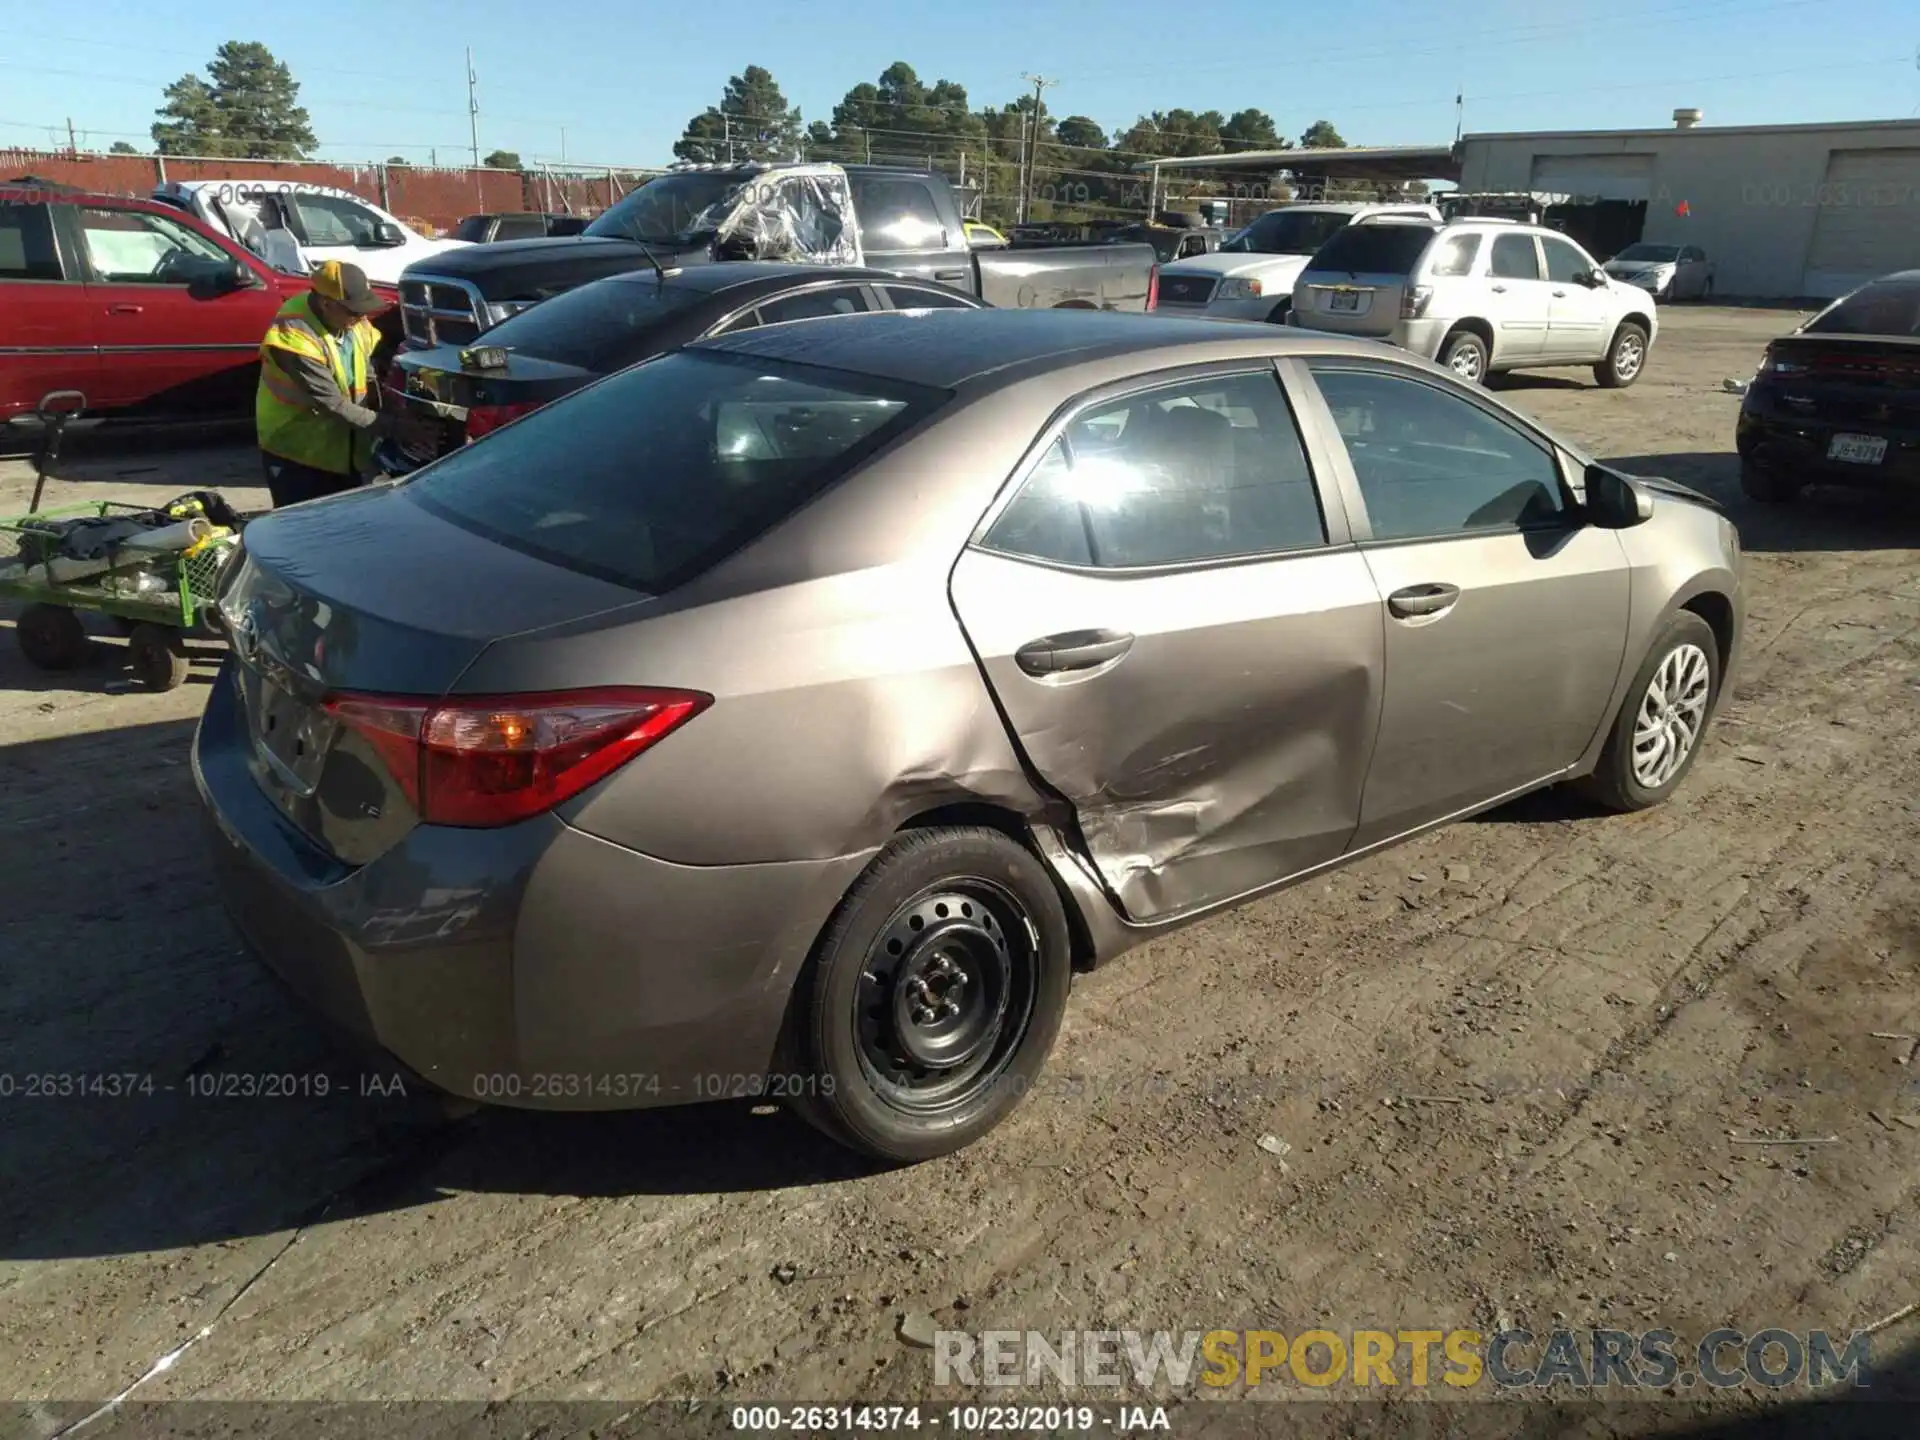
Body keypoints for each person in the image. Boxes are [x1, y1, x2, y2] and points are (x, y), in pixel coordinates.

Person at [255, 259, 436, 508]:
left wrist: (389, 410)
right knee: (303, 532)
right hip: (297, 455)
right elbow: (334, 404)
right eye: (354, 311)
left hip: (341, 450)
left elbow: (367, 371)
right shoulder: (295, 336)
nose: (362, 317)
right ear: (327, 304)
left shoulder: (351, 320)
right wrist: (397, 428)